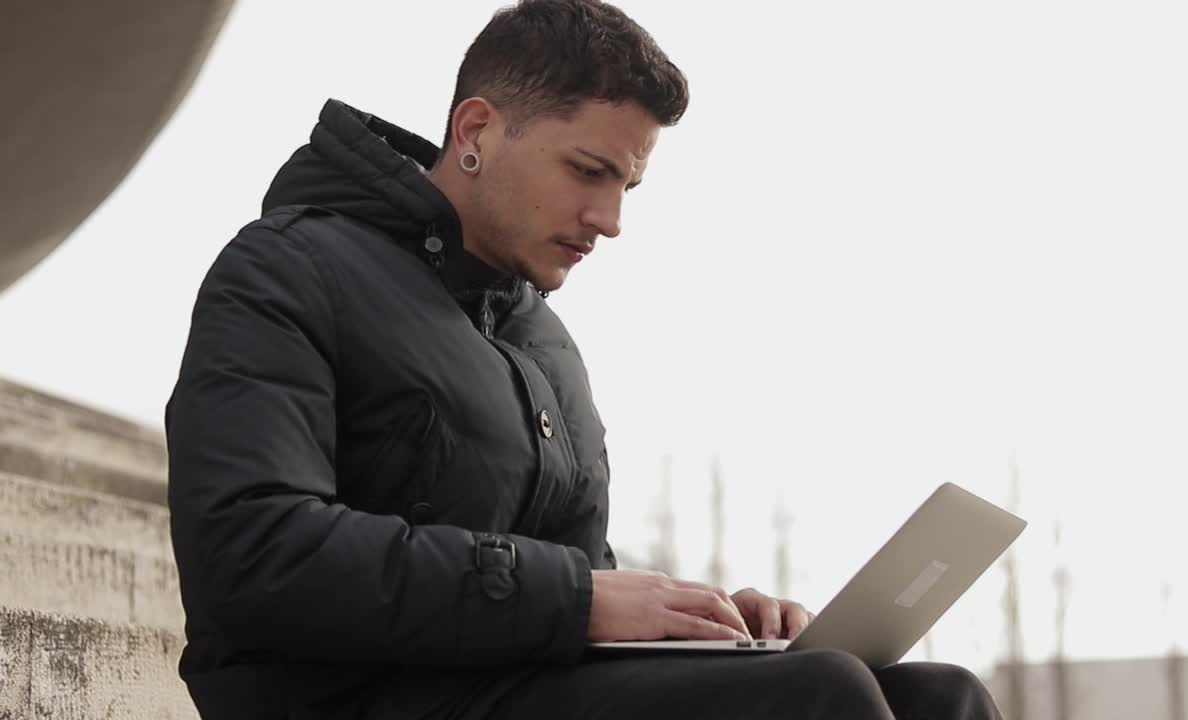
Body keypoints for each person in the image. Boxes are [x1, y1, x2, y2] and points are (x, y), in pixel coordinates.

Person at [165, 1, 1005, 718]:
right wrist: (579, 599)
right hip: (360, 700)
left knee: (939, 697)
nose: (608, 220)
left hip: (511, 684)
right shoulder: (286, 270)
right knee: (819, 697)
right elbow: (252, 552)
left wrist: (704, 626)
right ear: (477, 130)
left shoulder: (538, 336)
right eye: (588, 171)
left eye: (626, 188)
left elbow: (576, 584)